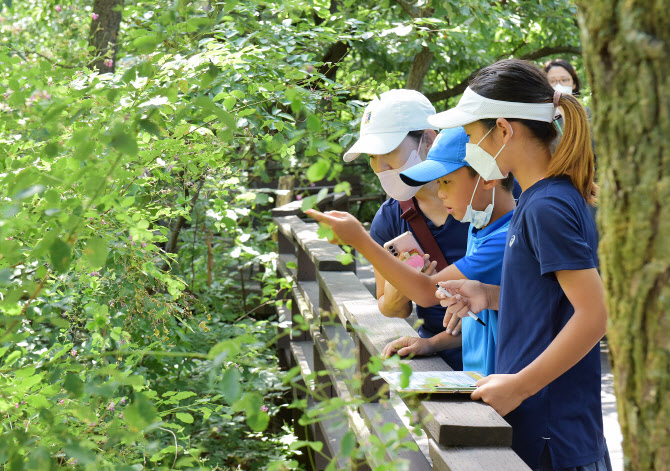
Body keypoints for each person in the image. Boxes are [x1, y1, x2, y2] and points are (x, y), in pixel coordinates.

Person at [430, 59, 611, 471]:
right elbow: (553, 300)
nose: (472, 148)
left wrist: (519, 387)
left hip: (554, 434)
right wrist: (490, 295)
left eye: (473, 135)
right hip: (549, 428)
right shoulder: (542, 198)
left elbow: (595, 313)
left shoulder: (547, 205)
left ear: (504, 130)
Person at [307, 127, 516, 376]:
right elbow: (482, 320)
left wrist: (360, 240)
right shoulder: (480, 231)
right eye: (438, 183)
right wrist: (430, 344)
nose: (440, 192)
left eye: (446, 181)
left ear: (486, 178)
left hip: (505, 382)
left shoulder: (506, 240)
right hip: (480, 378)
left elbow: (428, 293)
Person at [342, 89, 469, 370]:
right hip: (438, 363)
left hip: (506, 355)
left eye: (388, 152)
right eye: (372, 157)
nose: (381, 167)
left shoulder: (488, 193)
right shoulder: (389, 219)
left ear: (428, 139)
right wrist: (404, 281)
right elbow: (391, 308)